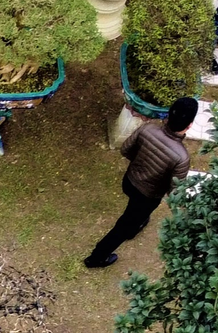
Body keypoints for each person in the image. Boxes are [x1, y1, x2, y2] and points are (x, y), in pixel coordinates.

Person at [84, 96, 197, 269]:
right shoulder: (181, 157)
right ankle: (96, 258)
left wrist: (139, 164)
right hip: (148, 196)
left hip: (130, 181)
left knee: (134, 215)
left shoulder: (148, 129)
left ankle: (136, 224)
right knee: (123, 226)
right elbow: (175, 191)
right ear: (189, 125)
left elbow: (125, 150)